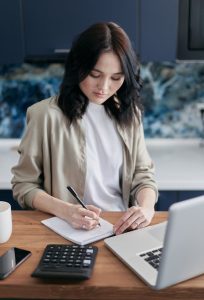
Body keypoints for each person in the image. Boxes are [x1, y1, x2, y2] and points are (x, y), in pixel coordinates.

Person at [11, 22, 158, 235]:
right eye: (95, 75)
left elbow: (143, 175)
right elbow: (24, 185)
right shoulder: (44, 115)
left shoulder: (130, 113)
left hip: (121, 229)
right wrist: (67, 211)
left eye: (116, 78)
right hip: (68, 232)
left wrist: (146, 208)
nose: (104, 87)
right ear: (77, 67)